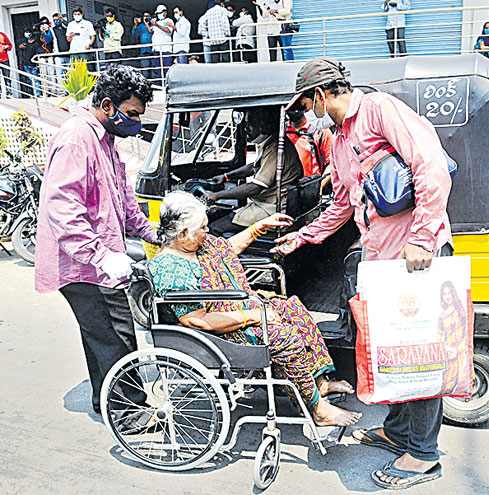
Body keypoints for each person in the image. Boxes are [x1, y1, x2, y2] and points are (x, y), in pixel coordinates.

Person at [273, 57, 453, 490]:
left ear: (320, 94)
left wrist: (424, 237)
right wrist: (304, 237)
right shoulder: (337, 141)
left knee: (418, 355)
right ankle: (398, 431)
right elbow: (341, 204)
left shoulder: (379, 110)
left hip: (414, 255)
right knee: (392, 351)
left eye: (304, 101)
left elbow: (429, 165)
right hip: (381, 258)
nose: (306, 110)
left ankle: (423, 456)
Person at [149, 191, 362, 427]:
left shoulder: (194, 245)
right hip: (216, 330)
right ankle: (317, 409)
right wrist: (251, 317)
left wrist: (258, 227)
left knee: (292, 310)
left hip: (234, 310)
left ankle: (319, 381)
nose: (207, 232)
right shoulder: (171, 268)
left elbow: (226, 250)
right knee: (285, 338)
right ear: (182, 234)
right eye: (203, 228)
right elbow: (197, 321)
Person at [35, 65, 156, 418]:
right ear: (107, 104)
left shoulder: (107, 142)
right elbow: (62, 208)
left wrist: (154, 236)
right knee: (115, 335)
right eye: (131, 114)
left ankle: (104, 402)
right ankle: (129, 413)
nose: (135, 122)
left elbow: (124, 199)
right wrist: (101, 257)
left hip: (100, 257)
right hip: (81, 263)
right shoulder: (76, 139)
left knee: (100, 333)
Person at [207, 106, 303, 236]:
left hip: (271, 207)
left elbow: (255, 187)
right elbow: (254, 166)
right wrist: (226, 176)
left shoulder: (275, 149)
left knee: (213, 228)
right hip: (266, 203)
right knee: (219, 214)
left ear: (264, 125)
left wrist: (217, 196)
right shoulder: (269, 144)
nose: (246, 129)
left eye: (251, 125)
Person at [437, 281, 470, 395]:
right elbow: (439, 337)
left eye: (449, 293)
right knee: (447, 384)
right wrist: (447, 348)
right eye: (444, 294)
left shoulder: (460, 311)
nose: (447, 297)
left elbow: (466, 331)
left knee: (461, 382)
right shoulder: (442, 316)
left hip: (461, 352)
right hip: (449, 354)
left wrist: (459, 349)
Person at [285, 104, 333, 180]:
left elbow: (332, 163)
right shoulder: (282, 132)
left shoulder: (320, 131)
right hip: (287, 185)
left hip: (311, 184)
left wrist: (320, 185)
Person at [150, 4, 174, 80]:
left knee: (167, 70)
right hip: (156, 49)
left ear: (165, 13)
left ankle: (167, 86)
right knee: (159, 70)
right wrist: (147, 23)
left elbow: (169, 31)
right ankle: (161, 86)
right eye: (158, 13)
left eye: (160, 13)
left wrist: (157, 25)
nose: (159, 15)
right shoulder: (156, 22)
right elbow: (151, 31)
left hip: (165, 49)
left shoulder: (169, 21)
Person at [18, 28, 41, 97]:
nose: (27, 34)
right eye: (26, 32)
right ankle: (35, 93)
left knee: (35, 79)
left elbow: (38, 54)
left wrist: (37, 65)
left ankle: (37, 94)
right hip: (26, 64)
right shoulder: (25, 42)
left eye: (28, 32)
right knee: (31, 79)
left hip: (33, 64)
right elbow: (20, 47)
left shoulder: (36, 43)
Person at [51, 13, 70, 85]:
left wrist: (63, 21)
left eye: (57, 19)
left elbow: (72, 26)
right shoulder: (52, 30)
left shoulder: (66, 29)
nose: (56, 21)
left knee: (69, 74)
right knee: (60, 75)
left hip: (68, 54)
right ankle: (62, 92)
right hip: (58, 55)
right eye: (54, 20)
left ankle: (69, 90)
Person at [0, 30, 13, 97]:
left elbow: (10, 45)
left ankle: (9, 93)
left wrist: (7, 47)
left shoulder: (2, 35)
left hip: (4, 60)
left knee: (7, 77)